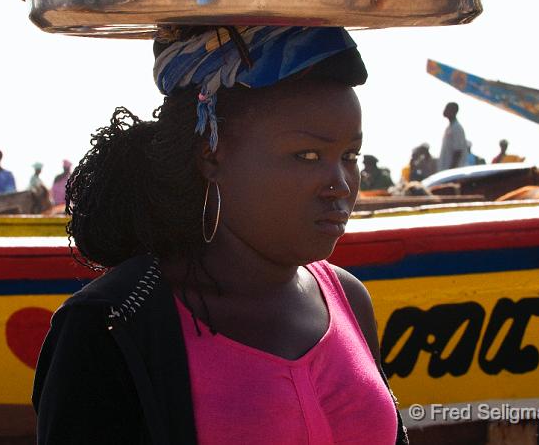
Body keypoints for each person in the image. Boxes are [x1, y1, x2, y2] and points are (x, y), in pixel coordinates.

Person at [33, 26, 408, 445]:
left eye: (350, 156)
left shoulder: (349, 298)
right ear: (211, 154)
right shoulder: (110, 326)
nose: (340, 184)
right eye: (307, 155)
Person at [438, 102, 467, 171]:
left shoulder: (457, 128)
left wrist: (451, 170)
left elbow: (458, 152)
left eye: (447, 109)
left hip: (451, 171)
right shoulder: (449, 128)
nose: (444, 111)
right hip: (445, 169)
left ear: (453, 111)